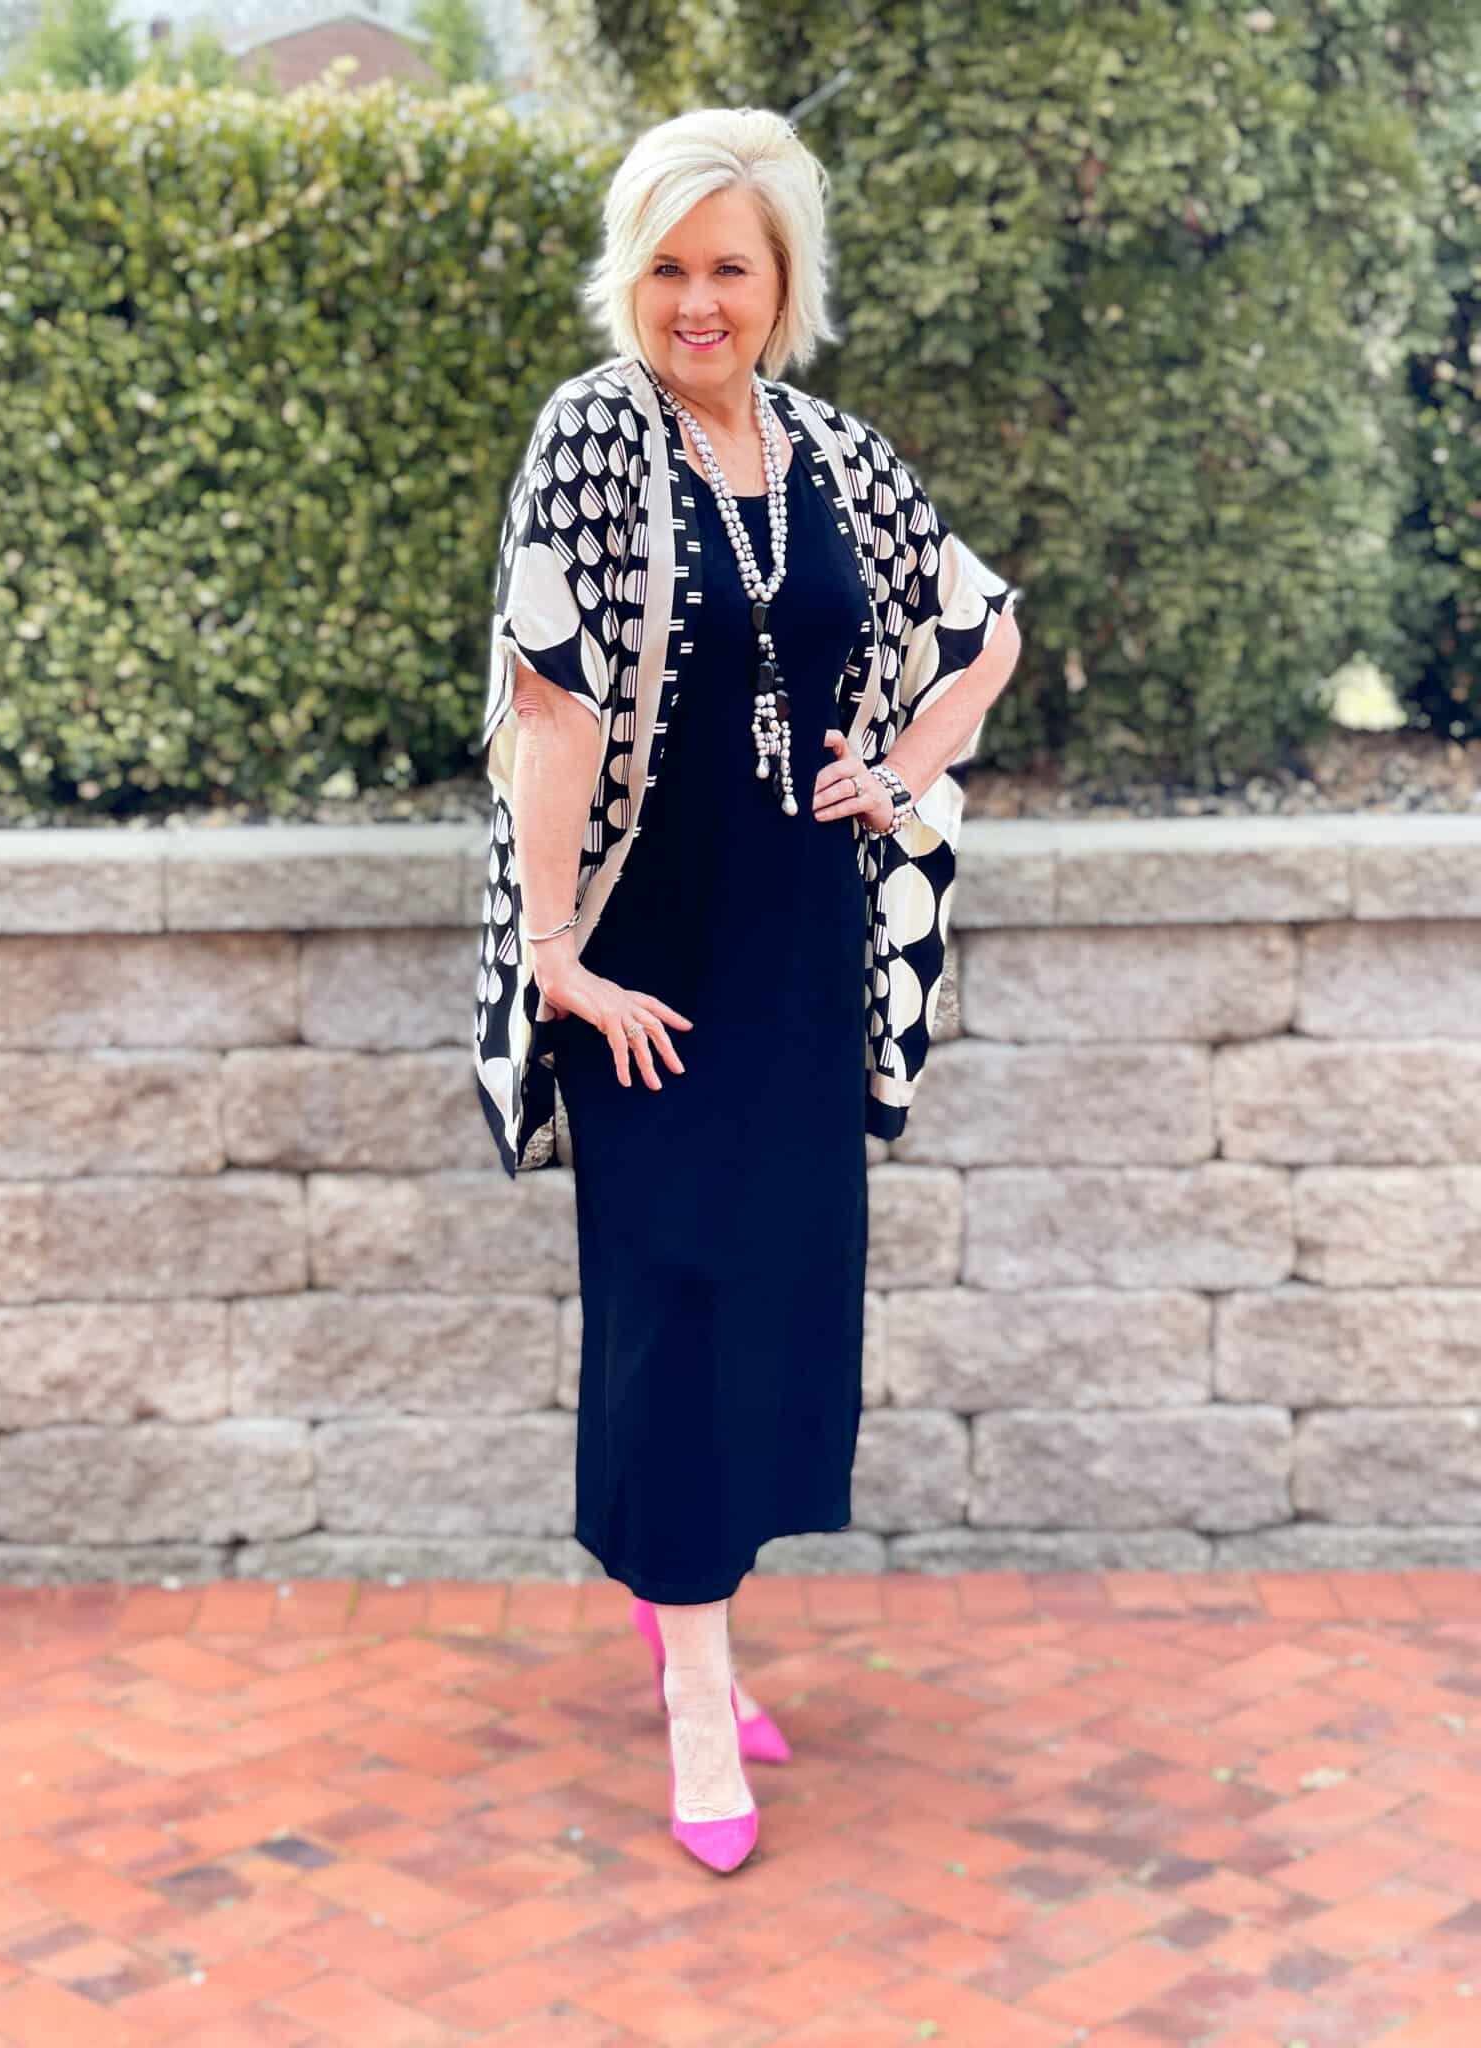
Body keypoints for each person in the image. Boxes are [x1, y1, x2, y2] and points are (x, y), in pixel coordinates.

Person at [473, 105, 1022, 1872]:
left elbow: (982, 623)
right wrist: (557, 960)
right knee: (678, 1295)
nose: (695, 301)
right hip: (647, 950)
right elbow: (548, 702)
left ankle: (680, 1597)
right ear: (625, 276)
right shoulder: (590, 438)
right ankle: (699, 1696)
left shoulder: (838, 457)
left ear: (783, 285)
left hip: (796, 943)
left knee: (779, 1289)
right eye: (666, 266)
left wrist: (905, 768)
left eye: (730, 268)